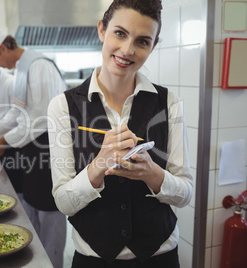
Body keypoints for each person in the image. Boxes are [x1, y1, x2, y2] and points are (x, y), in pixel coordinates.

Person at [47, 0, 193, 267]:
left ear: (153, 47)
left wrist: (153, 174)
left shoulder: (169, 103)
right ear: (102, 30)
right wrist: (99, 164)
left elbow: (185, 194)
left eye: (142, 41)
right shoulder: (62, 106)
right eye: (120, 33)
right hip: (93, 258)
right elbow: (64, 203)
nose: (128, 50)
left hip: (160, 256)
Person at [0, 21, 67, 268]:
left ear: (1, 48)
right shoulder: (21, 69)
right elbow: (15, 114)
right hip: (31, 152)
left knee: (49, 216)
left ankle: (53, 264)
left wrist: (3, 141)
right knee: (31, 209)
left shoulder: (39, 65)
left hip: (49, 153)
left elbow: (40, 119)